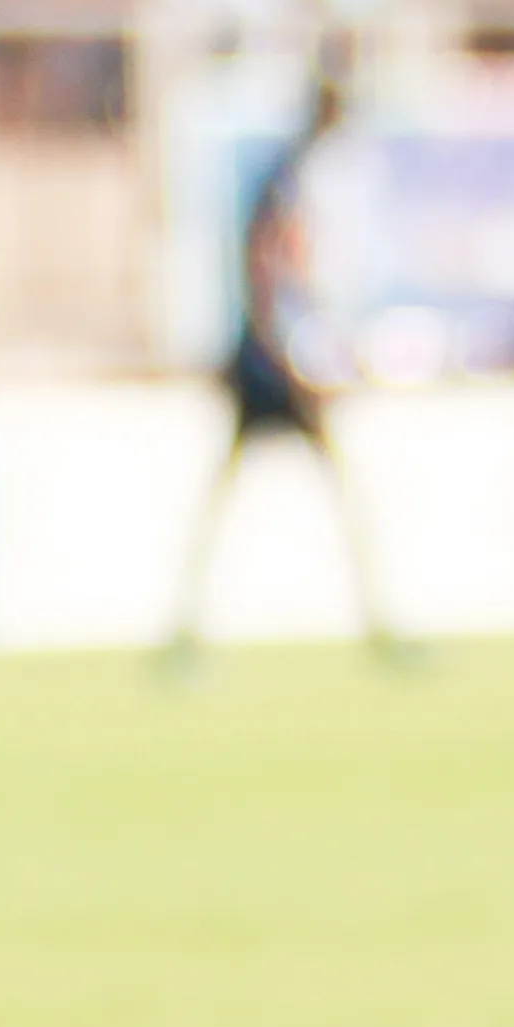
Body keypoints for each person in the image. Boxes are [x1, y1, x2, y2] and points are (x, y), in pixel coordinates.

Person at [163, 46, 416, 672]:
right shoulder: (287, 179)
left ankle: (190, 633)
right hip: (270, 364)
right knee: (274, 498)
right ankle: (189, 632)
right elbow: (271, 272)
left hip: (272, 358)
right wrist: (287, 354)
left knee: (278, 497)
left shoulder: (295, 174)